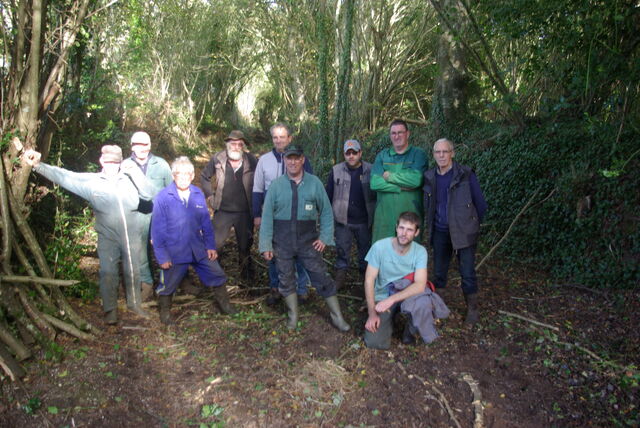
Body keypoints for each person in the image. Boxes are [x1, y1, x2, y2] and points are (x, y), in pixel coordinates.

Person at [23, 146, 153, 324]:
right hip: (107, 235)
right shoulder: (92, 181)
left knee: (132, 269)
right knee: (108, 272)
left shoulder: (130, 178)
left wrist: (136, 173)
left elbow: (149, 194)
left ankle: (135, 304)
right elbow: (65, 177)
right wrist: (38, 165)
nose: (111, 166)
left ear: (121, 162)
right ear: (101, 161)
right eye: (108, 162)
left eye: (115, 162)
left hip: (132, 232)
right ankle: (110, 311)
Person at [259, 144, 350, 332]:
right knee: (286, 278)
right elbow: (266, 217)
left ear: (302, 160)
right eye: (289, 158)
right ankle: (293, 317)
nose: (292, 162)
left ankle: (337, 317)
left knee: (321, 277)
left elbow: (325, 211)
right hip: (281, 242)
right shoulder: (276, 186)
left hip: (308, 242)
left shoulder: (314, 183)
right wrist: (266, 244)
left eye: (296, 158)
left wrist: (325, 237)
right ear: (285, 160)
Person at [151, 156, 236, 325]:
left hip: (198, 247)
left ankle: (225, 306)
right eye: (179, 174)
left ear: (192, 176)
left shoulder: (197, 194)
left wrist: (210, 245)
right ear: (173, 175)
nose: (183, 177)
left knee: (217, 274)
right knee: (168, 283)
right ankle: (165, 313)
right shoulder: (163, 197)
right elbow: (157, 230)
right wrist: (162, 257)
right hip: (175, 250)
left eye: (187, 174)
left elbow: (205, 222)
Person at [423, 138, 487, 324]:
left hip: (464, 232)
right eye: (438, 152)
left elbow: (480, 204)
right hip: (440, 231)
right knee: (439, 272)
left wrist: (471, 225)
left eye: (445, 151)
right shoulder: (429, 177)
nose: (441, 155)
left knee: (467, 272)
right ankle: (439, 308)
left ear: (452, 153)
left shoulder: (465, 174)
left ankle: (472, 310)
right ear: (434, 154)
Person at [252, 123, 311, 304]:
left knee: (300, 251)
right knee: (273, 252)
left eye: (282, 137)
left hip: (297, 213)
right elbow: (257, 189)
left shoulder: (302, 159)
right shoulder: (264, 160)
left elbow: (310, 185)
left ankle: (302, 289)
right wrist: (257, 214)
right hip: (274, 214)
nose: (279, 140)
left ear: (289, 138)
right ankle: (275, 287)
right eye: (275, 137)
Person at [363, 212, 428, 349]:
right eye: (401, 228)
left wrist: (392, 299)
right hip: (384, 294)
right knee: (374, 342)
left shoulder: (420, 252)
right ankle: (389, 319)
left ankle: (409, 333)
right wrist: (372, 313)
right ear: (396, 228)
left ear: (416, 233)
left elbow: (420, 285)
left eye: (410, 230)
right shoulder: (379, 247)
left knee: (424, 302)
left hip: (407, 294)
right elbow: (369, 280)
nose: (404, 233)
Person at [120, 131, 173, 301]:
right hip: (136, 215)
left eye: (144, 144)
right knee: (140, 250)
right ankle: (147, 284)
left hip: (159, 214)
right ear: (131, 146)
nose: (141, 148)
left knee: (166, 248)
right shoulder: (125, 165)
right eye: (136, 144)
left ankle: (175, 281)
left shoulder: (162, 164)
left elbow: (171, 190)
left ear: (149, 145)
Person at [200, 130, 258, 285]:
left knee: (245, 246)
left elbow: (260, 182)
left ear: (243, 146)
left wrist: (258, 206)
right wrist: (209, 196)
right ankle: (213, 278)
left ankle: (246, 281)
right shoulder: (218, 159)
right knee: (215, 245)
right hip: (223, 211)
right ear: (227, 144)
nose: (236, 147)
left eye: (240, 144)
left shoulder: (251, 160)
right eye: (233, 143)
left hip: (245, 212)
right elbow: (204, 176)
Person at [325, 139, 376, 289]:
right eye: (348, 153)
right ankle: (340, 280)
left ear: (360, 153)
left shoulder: (370, 170)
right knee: (342, 251)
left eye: (354, 152)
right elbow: (328, 195)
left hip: (364, 221)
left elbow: (377, 195)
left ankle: (366, 282)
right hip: (343, 221)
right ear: (344, 154)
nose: (351, 156)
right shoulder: (336, 170)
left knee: (365, 253)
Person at [370, 119, 427, 243]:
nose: (397, 136)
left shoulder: (418, 154)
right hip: (384, 220)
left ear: (408, 134)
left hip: (410, 219)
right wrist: (399, 187)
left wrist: (389, 176)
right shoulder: (382, 156)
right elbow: (374, 183)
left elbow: (416, 180)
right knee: (383, 255)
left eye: (400, 132)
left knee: (409, 255)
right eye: (393, 133)